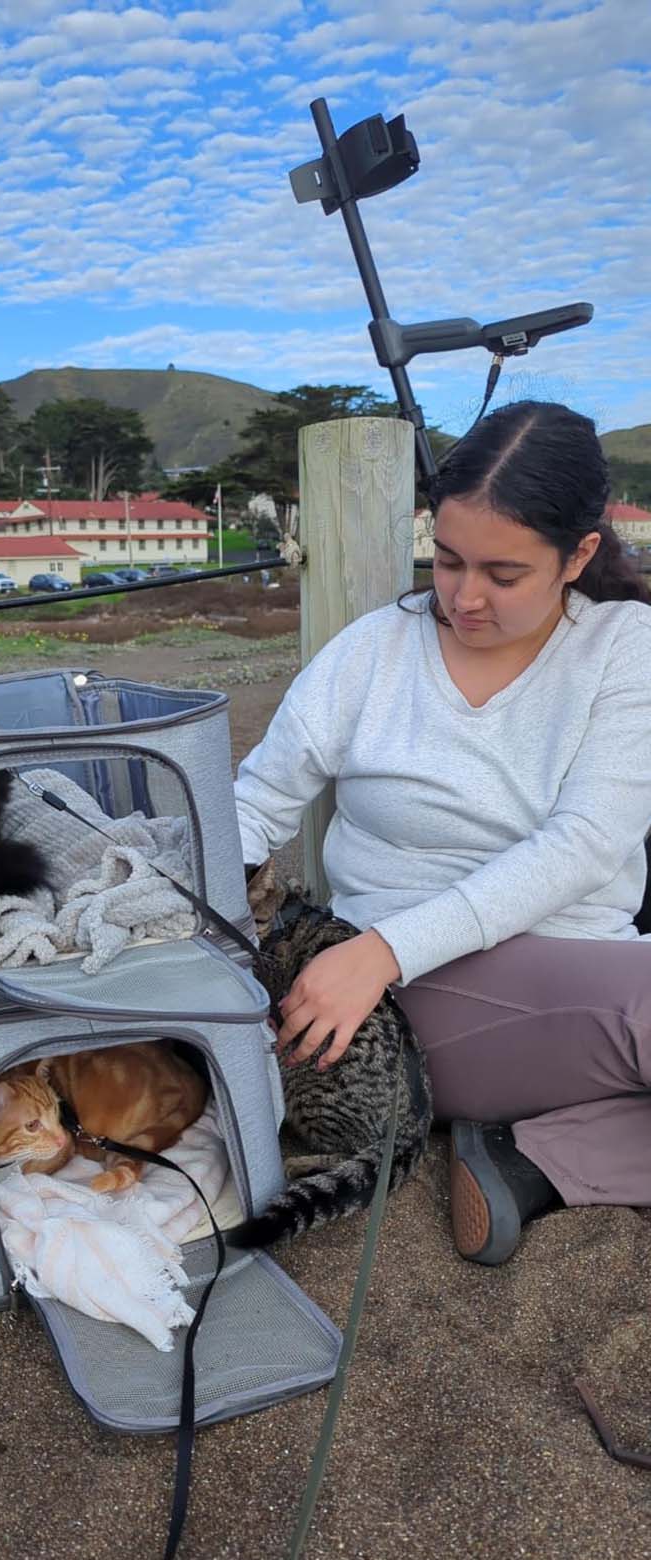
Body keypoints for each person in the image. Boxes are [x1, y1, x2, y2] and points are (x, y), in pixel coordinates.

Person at [233, 400, 651, 1265]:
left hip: (566, 973)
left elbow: (586, 843)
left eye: (504, 574)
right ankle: (547, 1149)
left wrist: (383, 947)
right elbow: (253, 802)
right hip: (396, 998)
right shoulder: (372, 653)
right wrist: (371, 952)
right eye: (448, 559)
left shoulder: (626, 647)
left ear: (577, 555)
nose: (463, 597)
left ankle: (539, 1158)